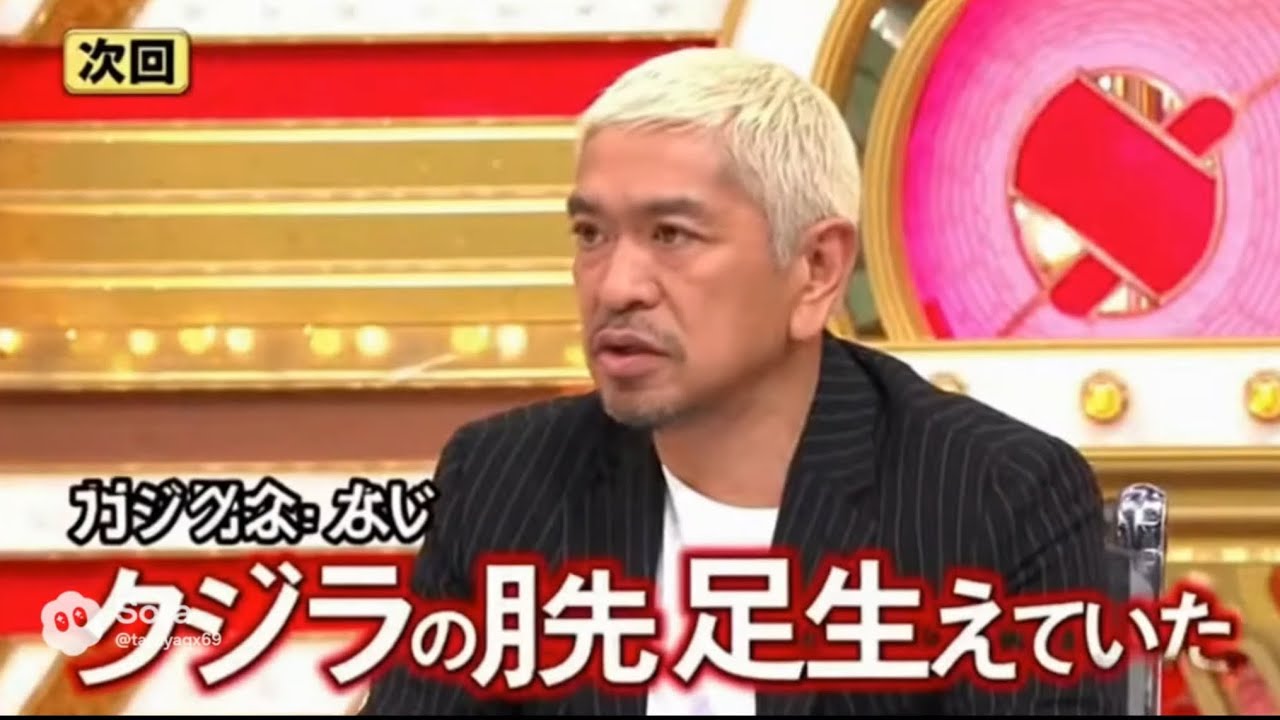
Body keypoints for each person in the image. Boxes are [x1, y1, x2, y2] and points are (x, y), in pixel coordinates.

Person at [362, 47, 1117, 715]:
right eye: (591, 234)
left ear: (816, 268)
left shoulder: (996, 496)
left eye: (671, 235)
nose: (616, 286)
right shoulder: (505, 478)